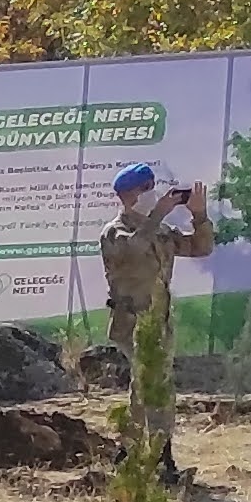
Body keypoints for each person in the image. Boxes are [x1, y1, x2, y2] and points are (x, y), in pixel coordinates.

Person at [93, 162, 213, 469]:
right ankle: (161, 457)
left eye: (152, 186)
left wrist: (198, 215)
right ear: (127, 195)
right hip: (131, 322)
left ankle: (130, 452)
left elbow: (201, 248)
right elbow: (133, 249)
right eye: (145, 188)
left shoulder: (159, 231)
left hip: (158, 321)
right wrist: (158, 212)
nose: (152, 193)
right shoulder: (114, 232)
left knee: (144, 387)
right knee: (154, 386)